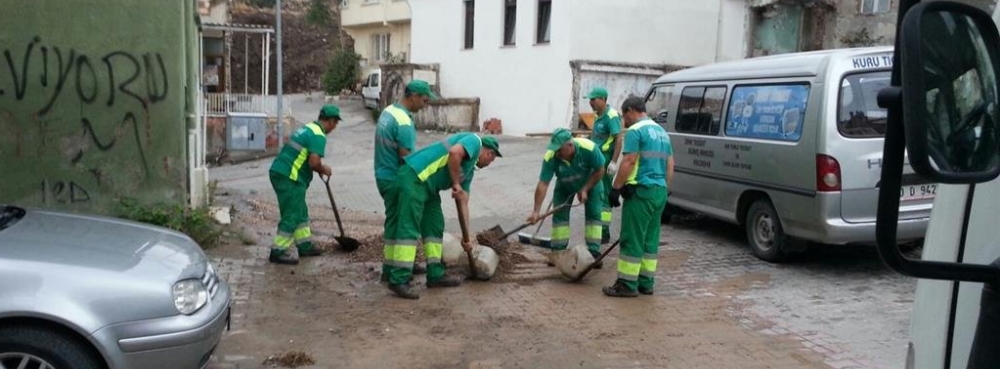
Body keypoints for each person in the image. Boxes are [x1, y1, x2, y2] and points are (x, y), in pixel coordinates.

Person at [384, 133, 502, 299]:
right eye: (492, 160)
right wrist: (456, 184)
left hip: (430, 188)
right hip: (415, 176)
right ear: (489, 153)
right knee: (409, 227)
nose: (489, 164)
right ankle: (398, 279)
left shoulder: (468, 172)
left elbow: (463, 202)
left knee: (435, 226)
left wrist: (466, 239)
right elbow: (454, 153)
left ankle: (435, 274)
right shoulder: (474, 141)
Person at [603, 97, 674, 297]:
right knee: (650, 239)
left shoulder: (636, 131)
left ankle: (627, 284)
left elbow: (629, 160)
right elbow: (670, 165)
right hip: (659, 192)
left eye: (624, 116)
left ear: (631, 111)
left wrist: (616, 188)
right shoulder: (662, 133)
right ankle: (646, 282)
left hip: (640, 192)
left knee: (632, 238)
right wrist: (664, 190)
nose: (624, 121)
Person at [374, 80, 436, 281]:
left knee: (393, 222)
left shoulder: (389, 111)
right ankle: (400, 270)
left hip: (383, 175)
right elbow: (406, 158)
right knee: (404, 225)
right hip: (396, 178)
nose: (425, 105)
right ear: (414, 96)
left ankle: (389, 267)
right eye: (424, 100)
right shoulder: (404, 122)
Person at [268, 105, 341, 265]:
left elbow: (305, 157)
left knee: (300, 211)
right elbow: (314, 162)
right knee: (292, 213)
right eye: (335, 123)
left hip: (281, 172)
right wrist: (323, 168)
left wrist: (317, 168)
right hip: (290, 177)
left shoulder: (308, 128)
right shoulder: (318, 135)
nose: (335, 127)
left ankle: (304, 245)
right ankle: (278, 251)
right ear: (330, 121)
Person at [526, 128, 606, 265]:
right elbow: (543, 184)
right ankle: (558, 252)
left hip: (591, 181)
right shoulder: (551, 156)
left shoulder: (589, 148)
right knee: (559, 217)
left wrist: (585, 188)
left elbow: (600, 170)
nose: (557, 153)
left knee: (593, 215)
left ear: (570, 145)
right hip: (564, 183)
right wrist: (536, 211)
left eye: (560, 149)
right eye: (555, 149)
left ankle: (593, 252)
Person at [587, 86, 624, 244]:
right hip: (596, 159)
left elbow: (618, 139)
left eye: (593, 99)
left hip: (606, 160)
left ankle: (604, 232)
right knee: (595, 193)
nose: (590, 102)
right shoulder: (598, 115)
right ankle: (597, 229)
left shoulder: (611, 116)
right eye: (590, 100)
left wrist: (614, 162)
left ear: (603, 99)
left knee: (604, 195)